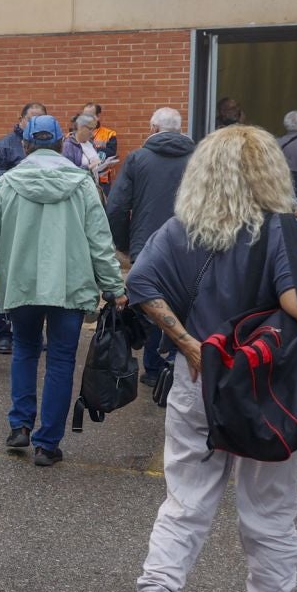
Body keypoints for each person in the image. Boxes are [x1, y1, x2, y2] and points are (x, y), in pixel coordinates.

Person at [125, 125, 297, 592]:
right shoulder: (281, 228)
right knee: (270, 509)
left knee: (184, 503)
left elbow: (140, 285)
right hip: (267, 387)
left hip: (201, 379)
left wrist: (190, 345)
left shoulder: (182, 226)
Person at [0, 114, 125, 466]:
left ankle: (21, 424)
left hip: (21, 284)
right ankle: (47, 444)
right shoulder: (83, 182)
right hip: (69, 286)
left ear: (25, 145)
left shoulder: (8, 182)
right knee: (61, 360)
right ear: (60, 143)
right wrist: (114, 286)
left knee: (25, 350)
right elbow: (100, 242)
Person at [106, 108, 196, 387]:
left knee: (153, 299)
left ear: (154, 128)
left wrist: (122, 244)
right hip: (192, 241)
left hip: (147, 244)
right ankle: (181, 360)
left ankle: (155, 368)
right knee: (189, 300)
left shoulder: (137, 159)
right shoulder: (198, 159)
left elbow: (118, 206)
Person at [0, 102, 47, 354]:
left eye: (41, 119)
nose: (35, 124)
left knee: (36, 274)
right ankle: (3, 332)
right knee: (5, 275)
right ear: (20, 120)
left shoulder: (51, 151)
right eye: (31, 119)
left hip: (39, 219)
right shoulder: (4, 145)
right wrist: (18, 178)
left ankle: (32, 330)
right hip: (11, 217)